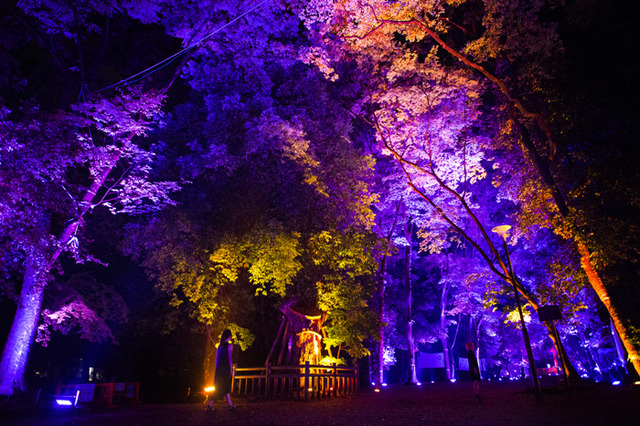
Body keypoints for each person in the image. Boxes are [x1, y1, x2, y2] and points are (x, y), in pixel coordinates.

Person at [206, 329, 237, 412]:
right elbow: (230, 359)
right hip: (225, 369)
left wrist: (216, 370)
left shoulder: (219, 346)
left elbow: (217, 359)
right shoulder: (230, 346)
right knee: (222, 387)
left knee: (222, 387)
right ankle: (209, 406)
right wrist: (231, 370)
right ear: (229, 336)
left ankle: (230, 405)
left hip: (219, 369)